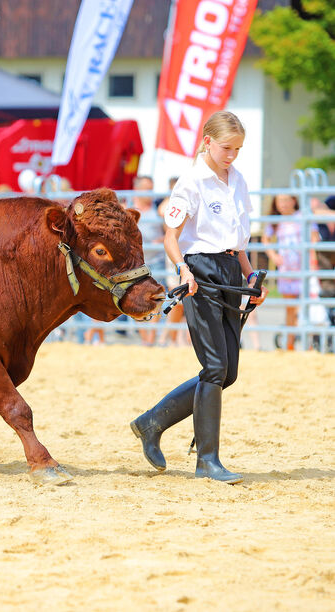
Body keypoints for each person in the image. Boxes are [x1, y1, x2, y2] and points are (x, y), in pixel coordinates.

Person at [130, 111, 268, 484]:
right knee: (214, 368)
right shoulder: (191, 181)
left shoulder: (237, 180)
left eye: (238, 149)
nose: (232, 156)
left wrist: (251, 275)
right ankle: (207, 461)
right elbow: (170, 236)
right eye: (227, 148)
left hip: (230, 271)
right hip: (200, 272)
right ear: (207, 141)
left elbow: (239, 243)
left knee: (229, 371)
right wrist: (182, 270)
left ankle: (151, 422)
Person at [262, 194, 320, 350]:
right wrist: (273, 255)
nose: (284, 204)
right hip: (286, 270)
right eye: (280, 201)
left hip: (304, 268)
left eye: (286, 200)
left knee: (305, 308)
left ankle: (309, 344)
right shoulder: (276, 221)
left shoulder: (303, 216)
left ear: (294, 201)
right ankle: (290, 345)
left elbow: (314, 237)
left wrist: (312, 259)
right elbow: (265, 239)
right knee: (290, 309)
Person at [132, 175, 165, 346]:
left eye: (151, 188)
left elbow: (169, 233)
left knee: (156, 299)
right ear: (137, 190)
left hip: (156, 261)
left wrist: (159, 241)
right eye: (147, 188)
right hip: (137, 264)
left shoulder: (158, 209)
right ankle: (146, 338)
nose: (150, 192)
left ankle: (150, 338)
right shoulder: (129, 210)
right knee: (136, 301)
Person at [156, 177, 189, 347]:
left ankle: (173, 337)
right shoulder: (169, 204)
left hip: (187, 252)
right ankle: (168, 337)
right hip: (176, 255)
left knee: (184, 302)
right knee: (177, 300)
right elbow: (162, 211)